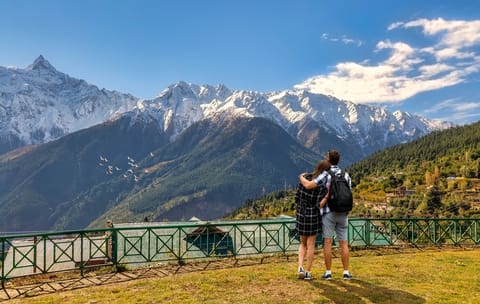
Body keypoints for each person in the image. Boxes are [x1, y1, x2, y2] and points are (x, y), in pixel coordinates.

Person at [299, 150, 353, 280]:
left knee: (327, 242)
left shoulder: (326, 174)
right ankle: (346, 272)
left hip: (328, 213)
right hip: (343, 213)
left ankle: (328, 272)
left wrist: (301, 177)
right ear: (338, 160)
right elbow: (349, 194)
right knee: (343, 243)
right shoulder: (346, 175)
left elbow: (309, 185)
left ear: (328, 160)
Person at [296, 159, 331, 280]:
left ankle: (300, 267)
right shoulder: (322, 187)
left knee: (303, 243)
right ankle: (308, 272)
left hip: (302, 213)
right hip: (314, 215)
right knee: (311, 245)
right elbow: (320, 205)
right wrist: (325, 198)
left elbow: (297, 198)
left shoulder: (306, 179)